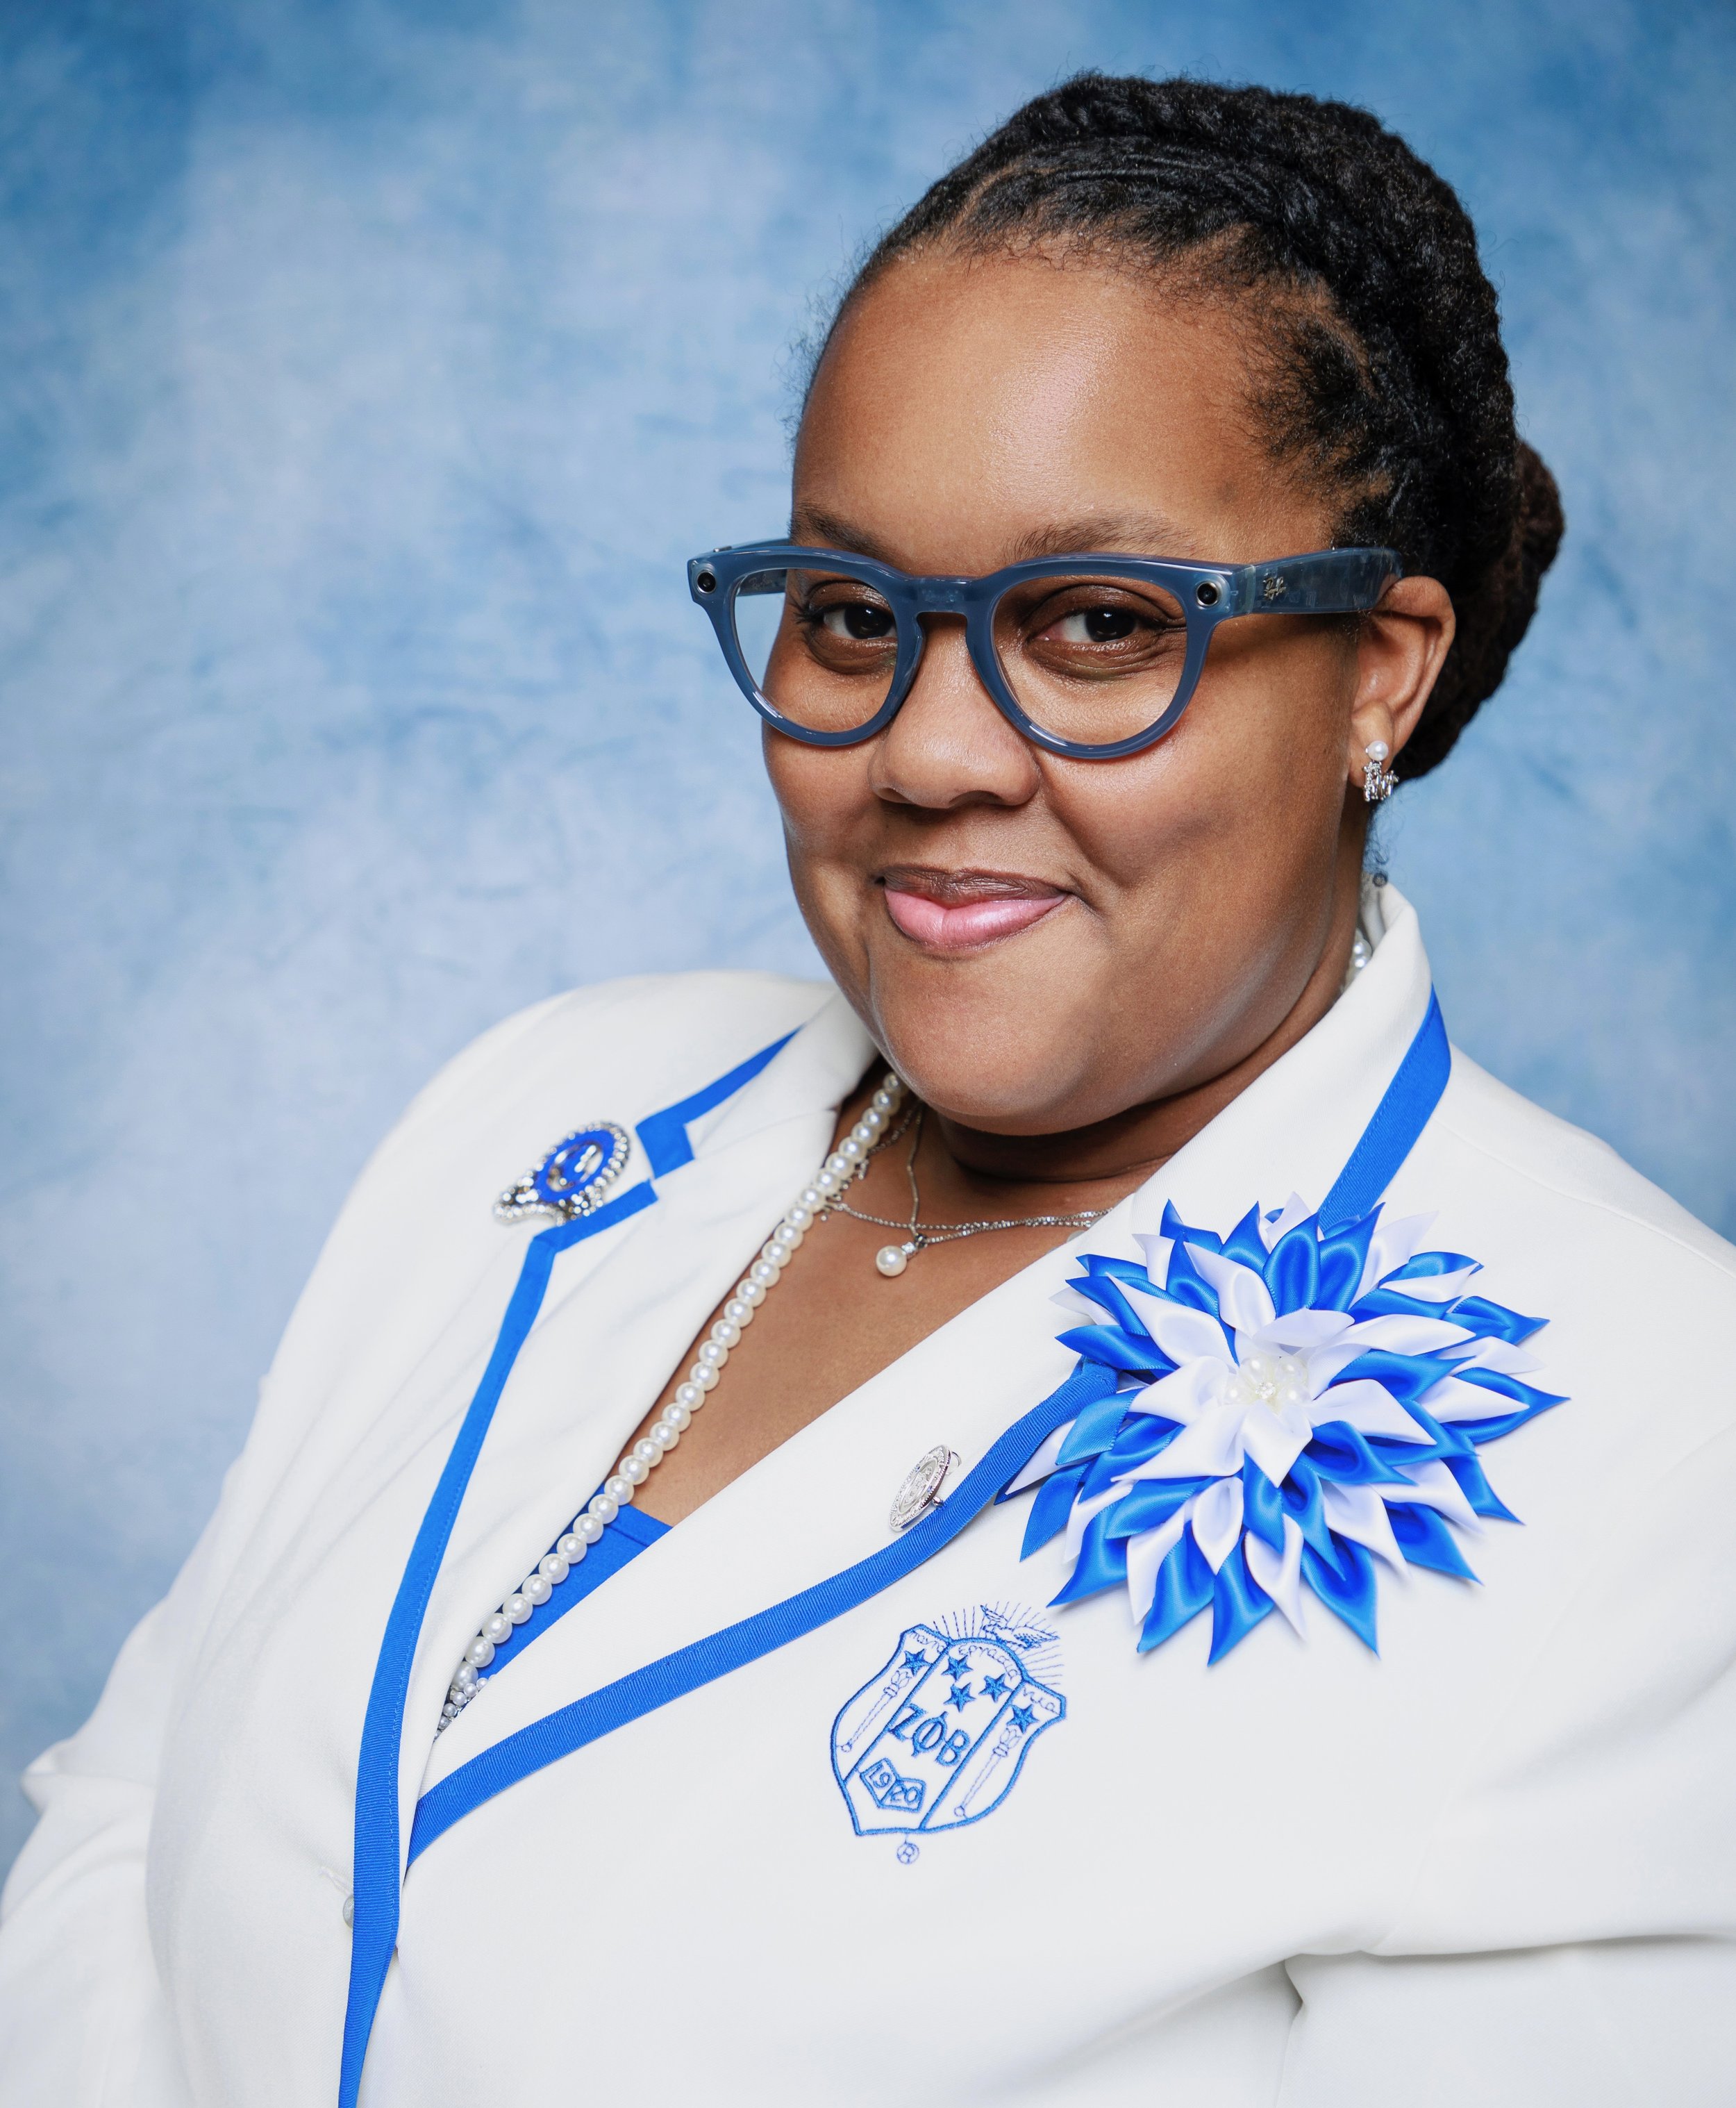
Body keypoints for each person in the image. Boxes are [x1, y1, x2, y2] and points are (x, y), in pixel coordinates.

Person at [2, 72, 1731, 2108]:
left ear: (1380, 666)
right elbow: (125, 1826)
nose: (927, 751)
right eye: (848, 615)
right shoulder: (546, 1109)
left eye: (1099, 626)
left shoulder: (1656, 1451)